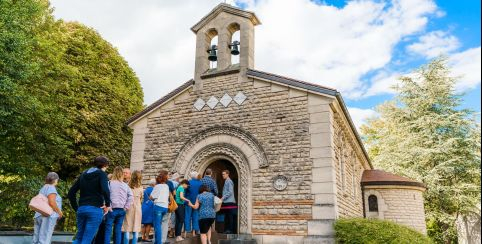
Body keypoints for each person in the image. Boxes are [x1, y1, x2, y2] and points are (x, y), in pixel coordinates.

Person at [68, 156, 111, 244]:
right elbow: (105, 190)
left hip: (82, 208)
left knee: (79, 237)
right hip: (95, 209)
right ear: (104, 165)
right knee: (87, 239)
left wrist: (76, 208)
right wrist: (107, 205)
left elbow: (71, 192)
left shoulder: (83, 174)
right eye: (107, 166)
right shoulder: (102, 174)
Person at [104, 166, 133, 244]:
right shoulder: (125, 185)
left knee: (108, 230)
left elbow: (105, 195)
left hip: (111, 209)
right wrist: (126, 207)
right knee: (118, 230)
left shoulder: (109, 183)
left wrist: (108, 205)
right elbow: (131, 196)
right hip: (121, 210)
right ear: (121, 174)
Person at [33, 172, 63, 244]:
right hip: (47, 216)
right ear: (56, 180)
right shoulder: (51, 188)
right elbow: (52, 202)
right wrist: (59, 212)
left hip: (39, 214)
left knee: (36, 239)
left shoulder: (44, 187)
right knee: (44, 239)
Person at [122, 170, 143, 244]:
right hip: (137, 208)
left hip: (129, 207)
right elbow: (141, 199)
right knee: (136, 228)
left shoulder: (127, 186)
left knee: (127, 228)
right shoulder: (141, 187)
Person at [150, 170, 170, 244]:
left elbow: (151, 197)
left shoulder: (157, 186)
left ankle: (158, 242)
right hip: (165, 207)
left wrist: (151, 197)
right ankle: (159, 241)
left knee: (157, 226)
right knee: (161, 225)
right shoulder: (167, 186)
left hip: (158, 206)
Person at [185, 171, 202, 237]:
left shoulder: (188, 182)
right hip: (197, 202)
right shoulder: (200, 183)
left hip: (188, 201)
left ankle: (187, 231)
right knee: (196, 216)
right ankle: (194, 232)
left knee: (187, 216)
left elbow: (185, 192)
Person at [221, 170, 237, 234]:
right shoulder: (226, 181)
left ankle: (230, 230)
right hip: (226, 202)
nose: (223, 175)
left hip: (230, 202)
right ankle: (227, 230)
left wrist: (223, 197)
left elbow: (230, 192)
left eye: (224, 174)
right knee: (227, 216)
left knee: (230, 216)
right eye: (222, 174)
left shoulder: (229, 181)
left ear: (227, 174)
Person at [167, 172, 179, 238]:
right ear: (177, 178)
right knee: (173, 218)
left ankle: (168, 233)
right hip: (173, 203)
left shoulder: (168, 182)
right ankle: (171, 233)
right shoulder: (176, 184)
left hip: (166, 202)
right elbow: (175, 193)